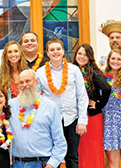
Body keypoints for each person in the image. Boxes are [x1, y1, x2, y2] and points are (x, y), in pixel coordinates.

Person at [36, 38, 88, 168]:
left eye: (58, 49)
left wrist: (82, 120)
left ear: (63, 51)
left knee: (72, 156)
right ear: (47, 53)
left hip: (72, 119)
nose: (55, 52)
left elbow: (82, 95)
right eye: (52, 50)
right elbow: (38, 98)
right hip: (51, 121)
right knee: (54, 157)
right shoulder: (40, 72)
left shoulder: (74, 70)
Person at [9, 69, 67, 168]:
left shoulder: (50, 106)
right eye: (21, 82)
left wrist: (51, 164)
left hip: (42, 163)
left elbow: (60, 142)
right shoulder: (10, 106)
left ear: (36, 82)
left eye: (28, 81)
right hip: (17, 164)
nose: (24, 85)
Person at [72, 44, 111, 168]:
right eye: (79, 54)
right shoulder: (71, 70)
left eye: (85, 55)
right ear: (75, 55)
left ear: (90, 58)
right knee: (79, 150)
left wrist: (98, 104)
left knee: (92, 150)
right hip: (75, 115)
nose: (82, 57)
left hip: (91, 117)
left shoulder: (92, 71)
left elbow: (106, 88)